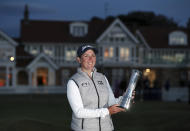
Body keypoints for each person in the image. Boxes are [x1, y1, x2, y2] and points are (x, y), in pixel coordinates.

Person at [67, 45, 135, 131]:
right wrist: (107, 111)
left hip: (107, 128)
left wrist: (125, 98)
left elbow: (111, 102)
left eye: (93, 56)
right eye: (86, 56)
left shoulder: (102, 78)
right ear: (79, 60)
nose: (90, 59)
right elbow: (79, 112)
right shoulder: (73, 82)